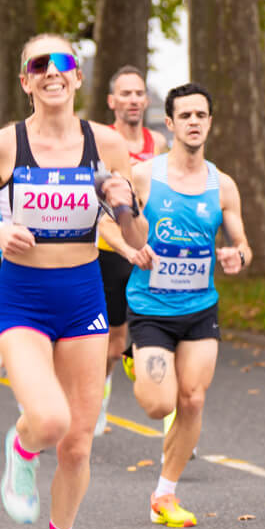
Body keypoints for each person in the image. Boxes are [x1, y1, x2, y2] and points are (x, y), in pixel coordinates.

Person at [0, 34, 144, 529]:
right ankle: (22, 447)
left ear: (78, 78)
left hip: (83, 296)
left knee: (78, 445)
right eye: (39, 64)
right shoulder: (1, 147)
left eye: (64, 63)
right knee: (49, 420)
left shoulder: (105, 144)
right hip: (23, 298)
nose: (53, 72)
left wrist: (126, 214)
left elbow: (132, 232)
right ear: (26, 80)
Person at [123, 84, 249, 529]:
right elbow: (109, 219)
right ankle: (133, 355)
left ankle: (165, 493)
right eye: (186, 115)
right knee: (159, 406)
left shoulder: (223, 185)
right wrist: (128, 250)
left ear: (210, 122)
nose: (194, 121)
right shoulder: (144, 176)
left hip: (199, 308)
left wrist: (238, 255)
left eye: (202, 114)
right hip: (151, 307)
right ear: (170, 124)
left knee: (192, 399)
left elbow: (241, 243)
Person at [93, 65, 164, 435]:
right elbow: (100, 209)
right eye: (125, 94)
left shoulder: (159, 144)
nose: (133, 100)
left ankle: (173, 421)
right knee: (113, 343)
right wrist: (123, 246)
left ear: (146, 100)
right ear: (112, 101)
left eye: (138, 93)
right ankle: (99, 408)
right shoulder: (101, 142)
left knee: (166, 332)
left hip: (151, 251)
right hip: (110, 251)